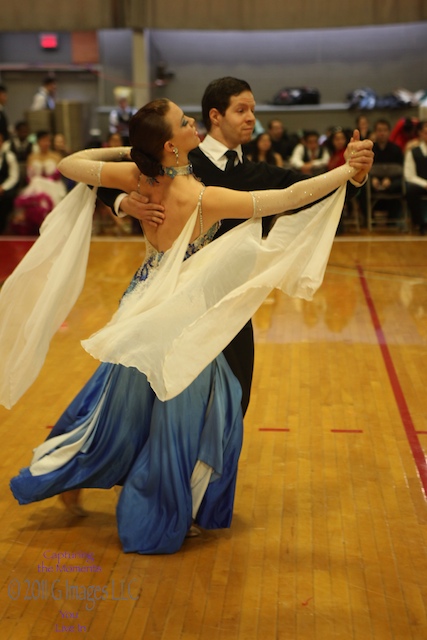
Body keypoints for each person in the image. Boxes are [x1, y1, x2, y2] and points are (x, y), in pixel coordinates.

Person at [5, 97, 370, 555]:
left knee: (115, 406)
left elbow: (69, 162)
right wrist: (345, 171)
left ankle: (80, 472)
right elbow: (285, 199)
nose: (192, 123)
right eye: (184, 122)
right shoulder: (200, 198)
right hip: (184, 326)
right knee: (189, 419)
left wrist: (130, 167)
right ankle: (160, 511)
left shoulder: (140, 178)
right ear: (170, 146)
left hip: (140, 314)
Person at [106, 78, 373, 415]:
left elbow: (314, 194)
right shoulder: (181, 163)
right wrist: (123, 203)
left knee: (235, 398)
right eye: (241, 110)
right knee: (166, 401)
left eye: (253, 111)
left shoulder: (258, 174)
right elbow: (103, 180)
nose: (251, 118)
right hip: (174, 304)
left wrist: (354, 173)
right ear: (215, 116)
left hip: (231, 304)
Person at [11, 130, 66, 235]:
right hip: (36, 186)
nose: (46, 143)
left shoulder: (56, 156)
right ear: (38, 142)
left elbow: (58, 175)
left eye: (48, 141)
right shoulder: (32, 157)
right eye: (43, 141)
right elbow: (29, 176)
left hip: (53, 185)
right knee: (36, 183)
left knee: (41, 185)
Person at [404, 120, 427, 234]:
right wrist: (425, 184)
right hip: (420, 185)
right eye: (425, 132)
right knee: (410, 190)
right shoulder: (413, 152)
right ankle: (420, 224)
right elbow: (409, 176)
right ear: (420, 134)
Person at [0, 130, 20, 233]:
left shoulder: (9, 156)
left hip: (5, 187)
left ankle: (3, 229)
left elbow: (14, 176)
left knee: (8, 198)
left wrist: (3, 187)